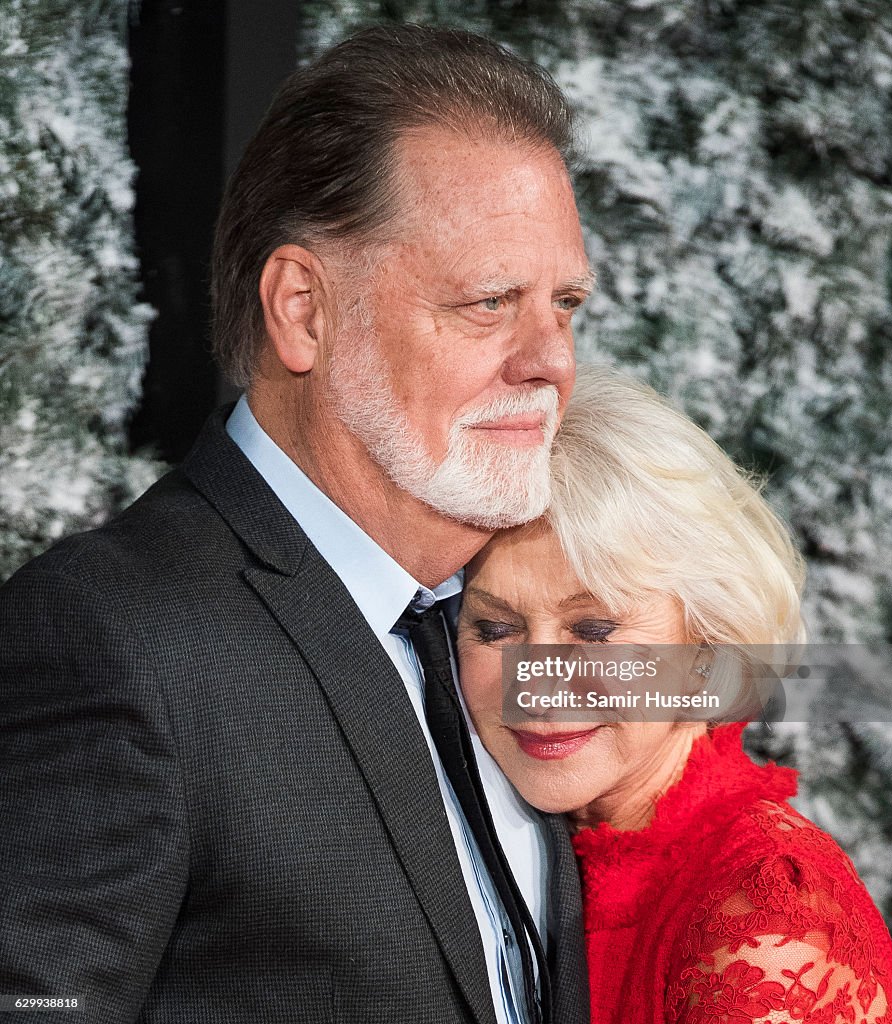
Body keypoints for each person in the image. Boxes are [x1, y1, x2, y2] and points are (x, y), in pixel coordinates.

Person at [0, 26, 594, 1024]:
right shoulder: (109, 639)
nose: (550, 360)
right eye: (489, 302)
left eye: (565, 304)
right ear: (303, 311)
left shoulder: (524, 623)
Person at [458, 365, 892, 1024]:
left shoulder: (764, 916)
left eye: (594, 630)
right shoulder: (510, 841)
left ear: (705, 640)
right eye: (496, 627)